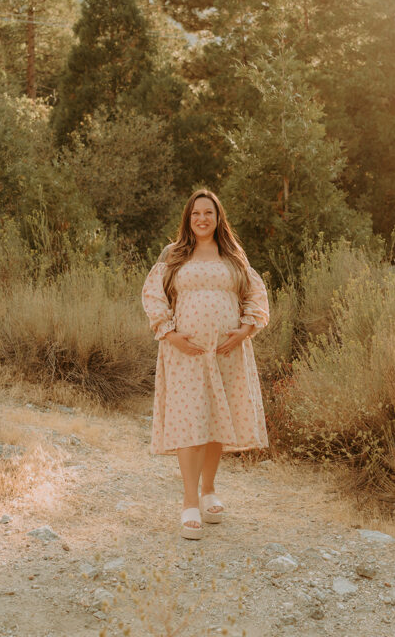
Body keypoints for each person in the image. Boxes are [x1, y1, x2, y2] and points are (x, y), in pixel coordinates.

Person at [141, 189, 270, 539]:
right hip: (186, 352)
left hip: (226, 352)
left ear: (218, 218)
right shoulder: (174, 254)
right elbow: (153, 294)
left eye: (208, 213)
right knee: (189, 422)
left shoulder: (232, 254)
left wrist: (244, 330)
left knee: (214, 419)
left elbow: (256, 295)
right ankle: (188, 503)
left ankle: (209, 489)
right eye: (196, 213)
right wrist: (170, 334)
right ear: (188, 217)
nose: (202, 219)